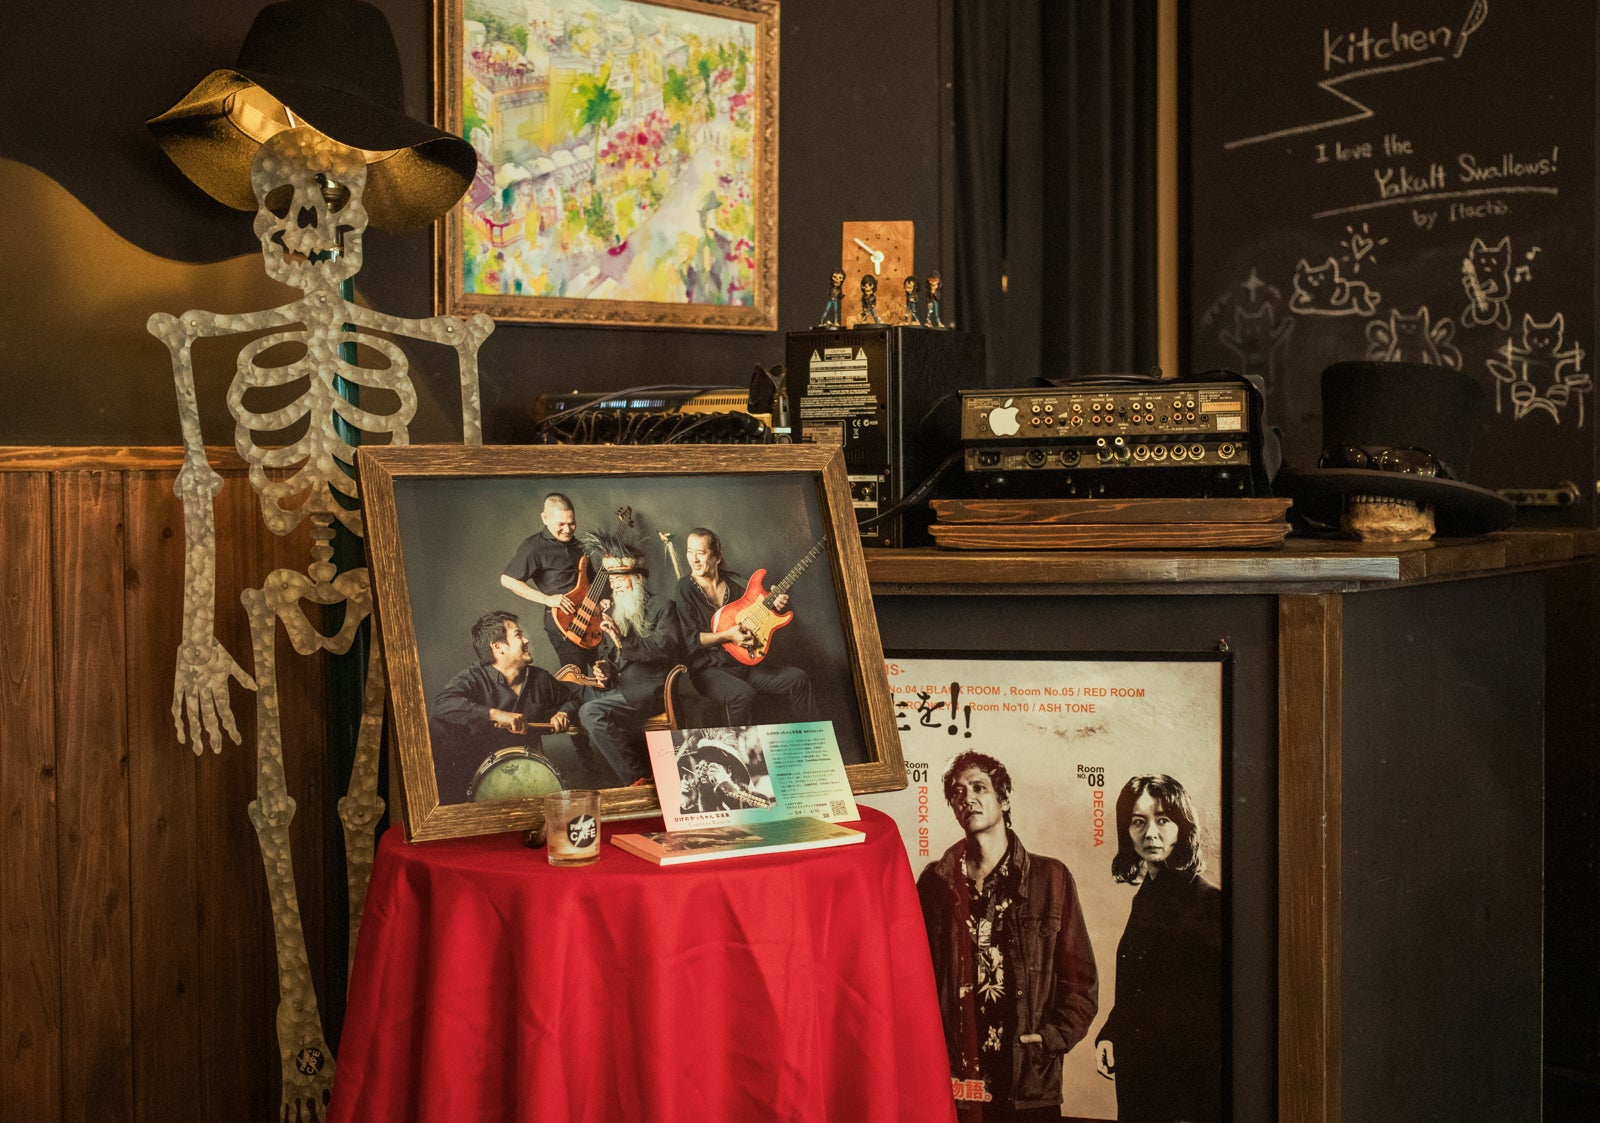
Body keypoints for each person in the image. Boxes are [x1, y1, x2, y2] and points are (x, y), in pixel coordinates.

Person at [917, 751, 1098, 1121]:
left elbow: (1081, 983)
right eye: (957, 792)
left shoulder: (1051, 879)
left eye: (978, 787)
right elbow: (914, 980)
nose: (967, 798)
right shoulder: (935, 883)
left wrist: (1049, 1040)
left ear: (1004, 798)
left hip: (1026, 1083)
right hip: (956, 1082)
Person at [1094, 774, 1223, 1123]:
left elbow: (1213, 1021)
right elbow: (1141, 989)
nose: (1150, 833)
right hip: (1139, 1085)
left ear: (1183, 828)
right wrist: (1111, 1035)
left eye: (1163, 820)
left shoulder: (1208, 904)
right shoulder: (1145, 898)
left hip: (1184, 1098)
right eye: (1138, 821)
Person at [428, 611, 595, 803]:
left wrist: (563, 713)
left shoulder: (540, 679)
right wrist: (495, 714)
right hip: (474, 778)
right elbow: (442, 705)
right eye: (518, 635)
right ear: (498, 647)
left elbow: (572, 699)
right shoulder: (473, 678)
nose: (526, 640)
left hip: (526, 773)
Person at [670, 527, 814, 726]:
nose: (693, 559)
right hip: (709, 670)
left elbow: (757, 611)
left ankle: (806, 738)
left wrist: (773, 602)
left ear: (717, 557)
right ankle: (740, 748)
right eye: (689, 551)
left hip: (743, 664)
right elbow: (691, 639)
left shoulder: (736, 583)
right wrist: (729, 635)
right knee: (743, 695)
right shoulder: (684, 588)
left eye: (700, 553)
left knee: (798, 678)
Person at [576, 530, 688, 784]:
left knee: (590, 712)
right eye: (611, 579)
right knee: (574, 698)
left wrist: (622, 641)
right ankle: (639, 775)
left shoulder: (662, 606)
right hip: (621, 688)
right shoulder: (614, 612)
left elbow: (664, 648)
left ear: (637, 579)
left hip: (650, 691)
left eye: (620, 579)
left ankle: (636, 779)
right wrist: (604, 669)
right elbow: (610, 657)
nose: (613, 585)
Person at [500, 492, 604, 671]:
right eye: (561, 524)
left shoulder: (579, 546)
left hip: (591, 619)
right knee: (576, 676)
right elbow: (507, 580)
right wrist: (547, 599)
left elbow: (592, 582)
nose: (568, 529)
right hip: (563, 623)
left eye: (572, 523)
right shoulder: (534, 546)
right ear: (545, 518)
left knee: (607, 671)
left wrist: (602, 601)